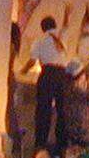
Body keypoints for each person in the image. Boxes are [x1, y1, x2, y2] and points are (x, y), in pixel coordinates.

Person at [22, 16, 70, 150]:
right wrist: (66, 13)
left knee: (43, 110)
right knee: (62, 110)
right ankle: (62, 143)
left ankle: (41, 143)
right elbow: (66, 25)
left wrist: (23, 70)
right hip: (62, 75)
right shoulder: (62, 36)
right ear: (54, 25)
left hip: (47, 74)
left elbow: (32, 61)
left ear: (42, 28)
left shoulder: (39, 40)